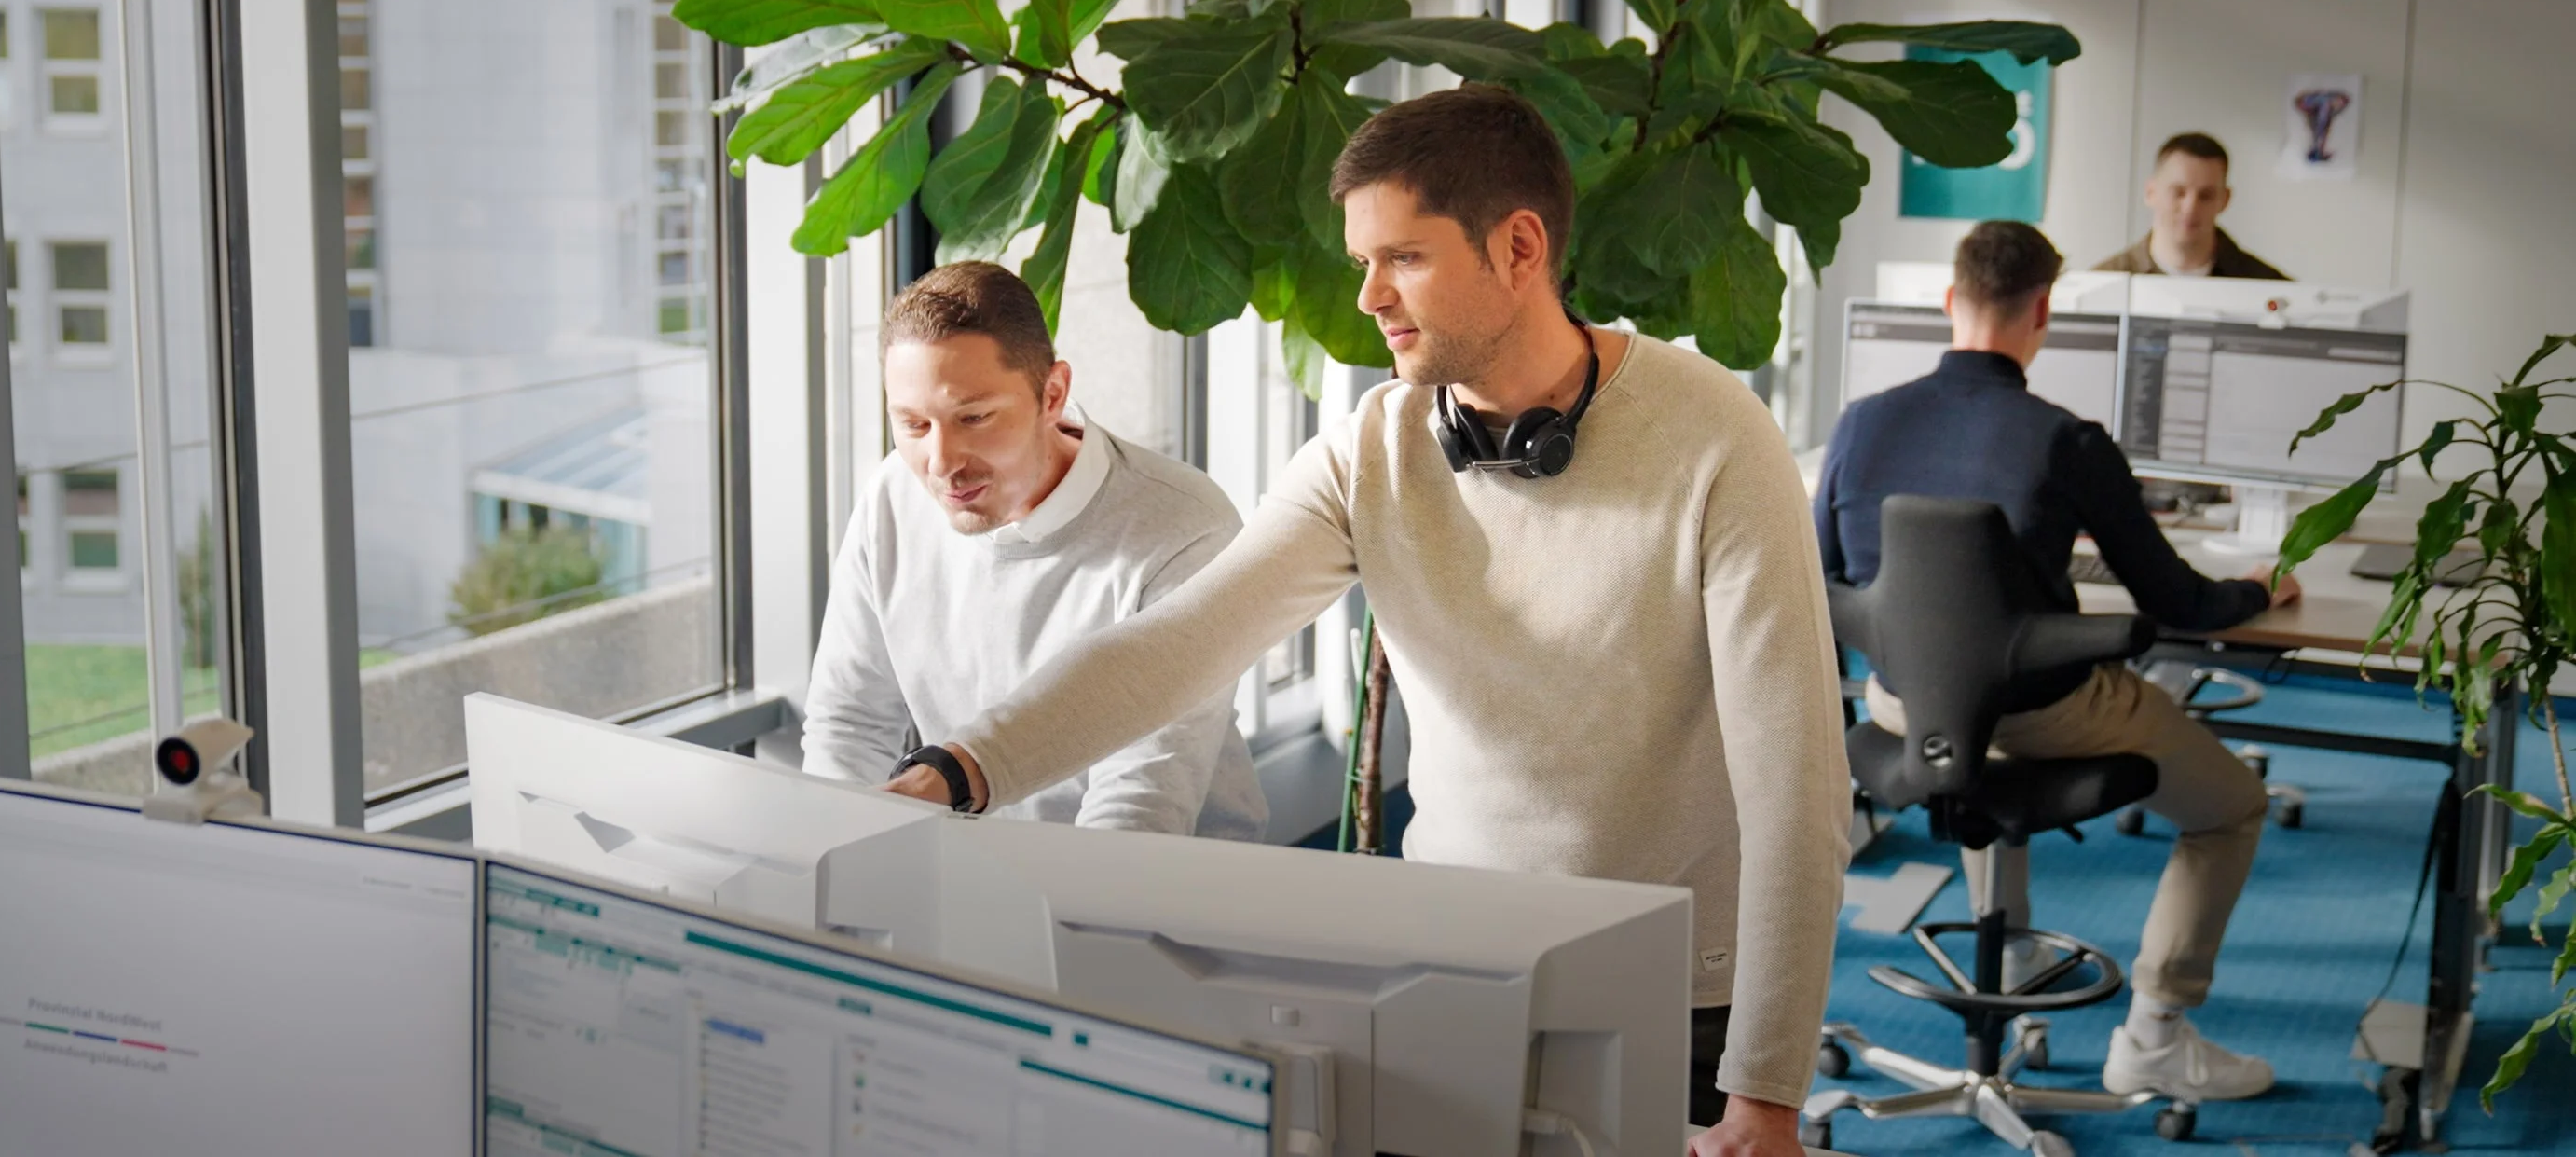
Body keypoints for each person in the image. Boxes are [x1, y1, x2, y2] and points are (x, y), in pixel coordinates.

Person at [883, 86, 1852, 1157]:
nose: (1369, 298)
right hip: (1450, 960)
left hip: (1676, 992)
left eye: (1404, 259)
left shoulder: (1717, 439)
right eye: (1360, 263)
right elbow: (1178, 643)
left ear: (1519, 247)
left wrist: (1764, 1094)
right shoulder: (1373, 448)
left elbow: (1796, 790)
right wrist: (960, 770)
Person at [1814, 220, 2302, 1104]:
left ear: (1948, 301)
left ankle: (2018, 940)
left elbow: (1826, 581)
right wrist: (2259, 588)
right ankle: (2155, 1032)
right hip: (2044, 711)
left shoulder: (1859, 423)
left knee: (1959, 707)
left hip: (1905, 705)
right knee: (2232, 806)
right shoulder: (2065, 440)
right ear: (2043, 310)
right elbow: (2179, 604)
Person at [801, 260, 1266, 841]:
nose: (941, 463)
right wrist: (831, 864)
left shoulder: (1183, 528)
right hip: (964, 876)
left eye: (974, 417)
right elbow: (849, 725)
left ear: (1053, 393)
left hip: (1160, 896)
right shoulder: (892, 496)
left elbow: (1140, 805)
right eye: (914, 424)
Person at [2092, 133, 2290, 279]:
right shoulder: (2100, 282)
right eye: (2178, 192)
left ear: (2225, 199)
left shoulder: (2268, 287)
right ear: (2150, 192)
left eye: (2206, 196)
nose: (2190, 208)